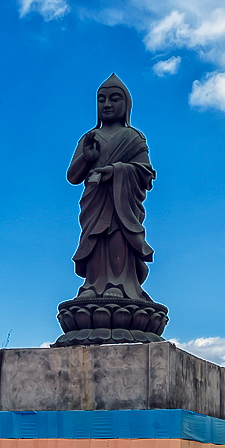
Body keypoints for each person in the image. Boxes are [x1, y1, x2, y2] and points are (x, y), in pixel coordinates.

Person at [66, 74, 155, 301]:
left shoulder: (134, 137)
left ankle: (119, 283)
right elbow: (72, 176)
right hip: (95, 202)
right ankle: (93, 285)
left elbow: (145, 173)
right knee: (95, 241)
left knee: (117, 237)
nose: (106, 104)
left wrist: (116, 171)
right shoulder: (90, 137)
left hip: (120, 204)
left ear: (126, 105)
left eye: (114, 99)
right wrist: (87, 158)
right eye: (101, 99)